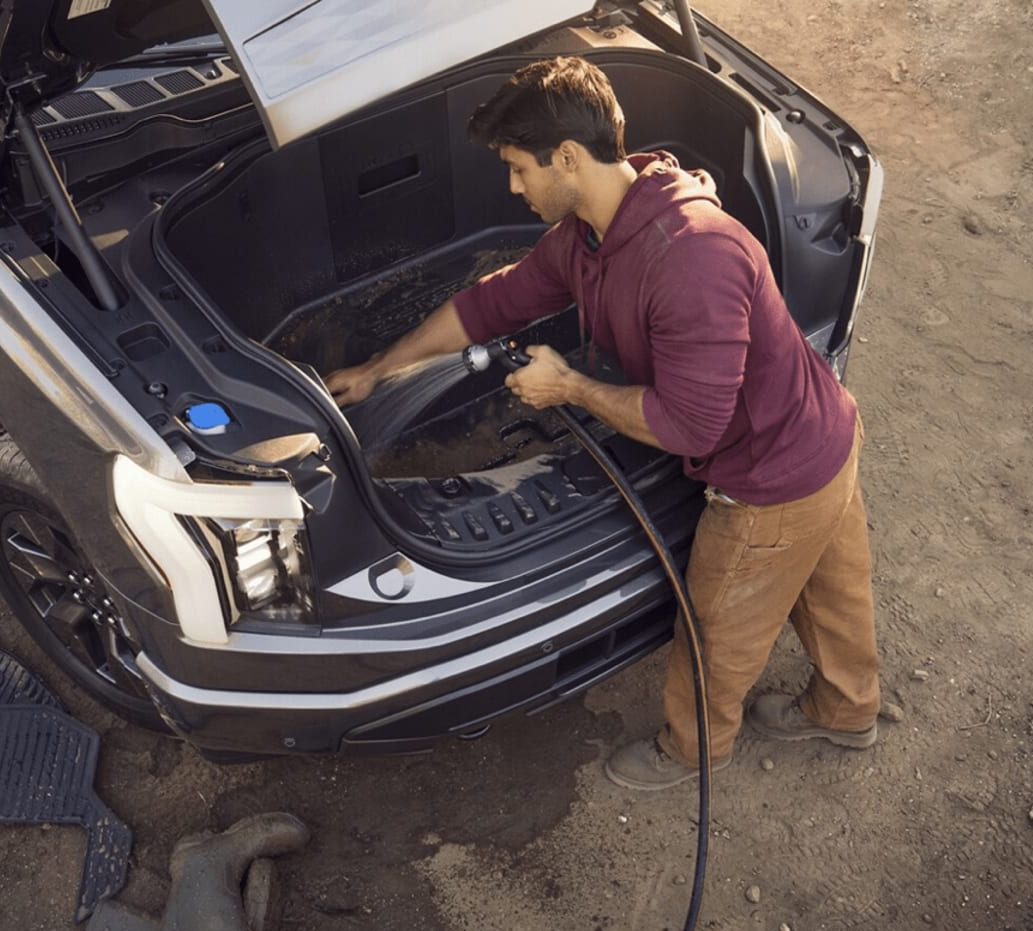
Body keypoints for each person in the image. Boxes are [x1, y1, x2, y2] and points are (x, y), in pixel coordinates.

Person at [324, 56, 880, 791]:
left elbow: (690, 428)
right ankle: (848, 709)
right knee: (831, 589)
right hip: (823, 432)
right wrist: (378, 370)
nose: (513, 186)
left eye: (519, 169)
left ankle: (692, 752)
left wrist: (571, 388)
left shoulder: (690, 261)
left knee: (715, 630)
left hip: (768, 478)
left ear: (567, 157)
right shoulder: (594, 229)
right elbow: (492, 303)